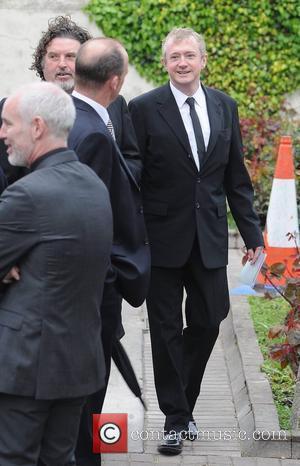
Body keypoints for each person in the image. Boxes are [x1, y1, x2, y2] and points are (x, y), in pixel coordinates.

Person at [129, 27, 264, 455]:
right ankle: (174, 419)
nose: (182, 63)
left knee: (209, 318)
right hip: (161, 239)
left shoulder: (225, 106)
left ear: (203, 61)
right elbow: (134, 177)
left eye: (190, 55)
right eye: (175, 57)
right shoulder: (144, 108)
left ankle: (182, 402)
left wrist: (252, 234)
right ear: (165, 63)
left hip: (208, 239)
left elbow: (235, 178)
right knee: (165, 329)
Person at [0, 81, 113, 465]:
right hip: (77, 363)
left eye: (7, 124)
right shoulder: (93, 184)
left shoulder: (26, 195)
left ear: (36, 127)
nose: (1, 134)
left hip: (25, 368)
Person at [68, 37, 150, 465]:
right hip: (92, 292)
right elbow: (94, 220)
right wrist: (112, 280)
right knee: (89, 394)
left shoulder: (69, 118)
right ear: (115, 82)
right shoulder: (95, 132)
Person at [0, 15, 142, 184]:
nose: (62, 64)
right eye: (53, 56)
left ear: (86, 63)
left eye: (70, 56)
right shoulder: (16, 107)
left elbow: (131, 158)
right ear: (41, 63)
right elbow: (7, 174)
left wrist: (111, 181)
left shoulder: (114, 103)